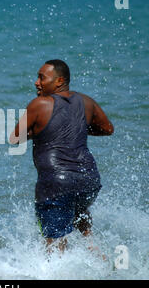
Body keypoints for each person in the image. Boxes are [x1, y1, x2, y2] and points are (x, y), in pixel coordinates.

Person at [10, 59, 114, 253]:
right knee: (80, 212)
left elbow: (15, 137)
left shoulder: (39, 104)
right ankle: (96, 253)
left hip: (55, 183)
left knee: (54, 244)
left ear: (59, 81)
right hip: (88, 178)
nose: (36, 82)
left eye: (42, 78)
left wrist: (43, 131)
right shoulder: (86, 101)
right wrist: (76, 128)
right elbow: (108, 129)